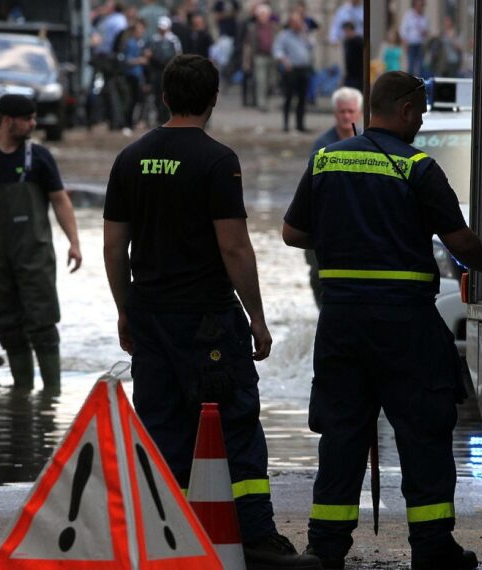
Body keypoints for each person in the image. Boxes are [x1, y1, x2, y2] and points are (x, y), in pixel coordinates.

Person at [103, 54, 321, 570]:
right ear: (214, 99)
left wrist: (125, 309)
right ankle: (254, 538)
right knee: (234, 422)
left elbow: (114, 248)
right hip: (208, 320)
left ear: (163, 97)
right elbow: (234, 247)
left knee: (161, 425)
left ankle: (166, 540)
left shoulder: (130, 158)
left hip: (151, 314)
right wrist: (257, 318)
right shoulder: (218, 161)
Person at [282, 71, 482, 570]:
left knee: (341, 434)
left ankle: (325, 548)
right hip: (405, 323)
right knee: (423, 433)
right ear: (404, 110)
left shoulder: (326, 160)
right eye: (420, 113)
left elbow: (292, 233)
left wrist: (341, 238)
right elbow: (460, 241)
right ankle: (432, 548)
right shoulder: (418, 168)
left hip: (341, 322)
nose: (421, 122)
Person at [0, 95, 82, 391]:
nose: (34, 123)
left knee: (43, 321)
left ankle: (52, 394)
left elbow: (60, 200)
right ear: (8, 121)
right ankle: (22, 393)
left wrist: (74, 242)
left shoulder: (39, 157)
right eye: (28, 119)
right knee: (6, 322)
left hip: (34, 252)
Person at [303, 86, 363, 307]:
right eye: (342, 111)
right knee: (318, 272)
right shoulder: (322, 145)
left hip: (357, 221)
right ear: (335, 113)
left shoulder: (369, 141)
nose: (346, 116)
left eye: (351, 111)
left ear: (359, 113)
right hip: (325, 220)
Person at [273, 12, 314, 133]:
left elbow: (312, 45)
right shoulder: (284, 36)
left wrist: (306, 33)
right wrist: (284, 60)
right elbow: (277, 50)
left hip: (303, 69)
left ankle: (300, 125)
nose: (298, 25)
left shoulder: (304, 34)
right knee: (289, 97)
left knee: (302, 98)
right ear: (290, 24)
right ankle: (286, 125)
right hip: (291, 70)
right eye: (295, 22)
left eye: (300, 22)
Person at [400, 0, 428, 76]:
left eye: (422, 5)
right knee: (411, 66)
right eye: (418, 4)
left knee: (420, 66)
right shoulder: (408, 15)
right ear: (415, 5)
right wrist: (404, 42)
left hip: (421, 43)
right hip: (411, 43)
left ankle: (419, 82)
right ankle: (410, 81)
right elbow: (403, 29)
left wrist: (424, 32)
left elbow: (426, 30)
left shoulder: (424, 16)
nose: (420, 7)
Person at [340, 22, 363, 90]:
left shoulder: (359, 41)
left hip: (359, 74)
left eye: (347, 31)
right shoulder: (346, 42)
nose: (345, 33)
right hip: (350, 74)